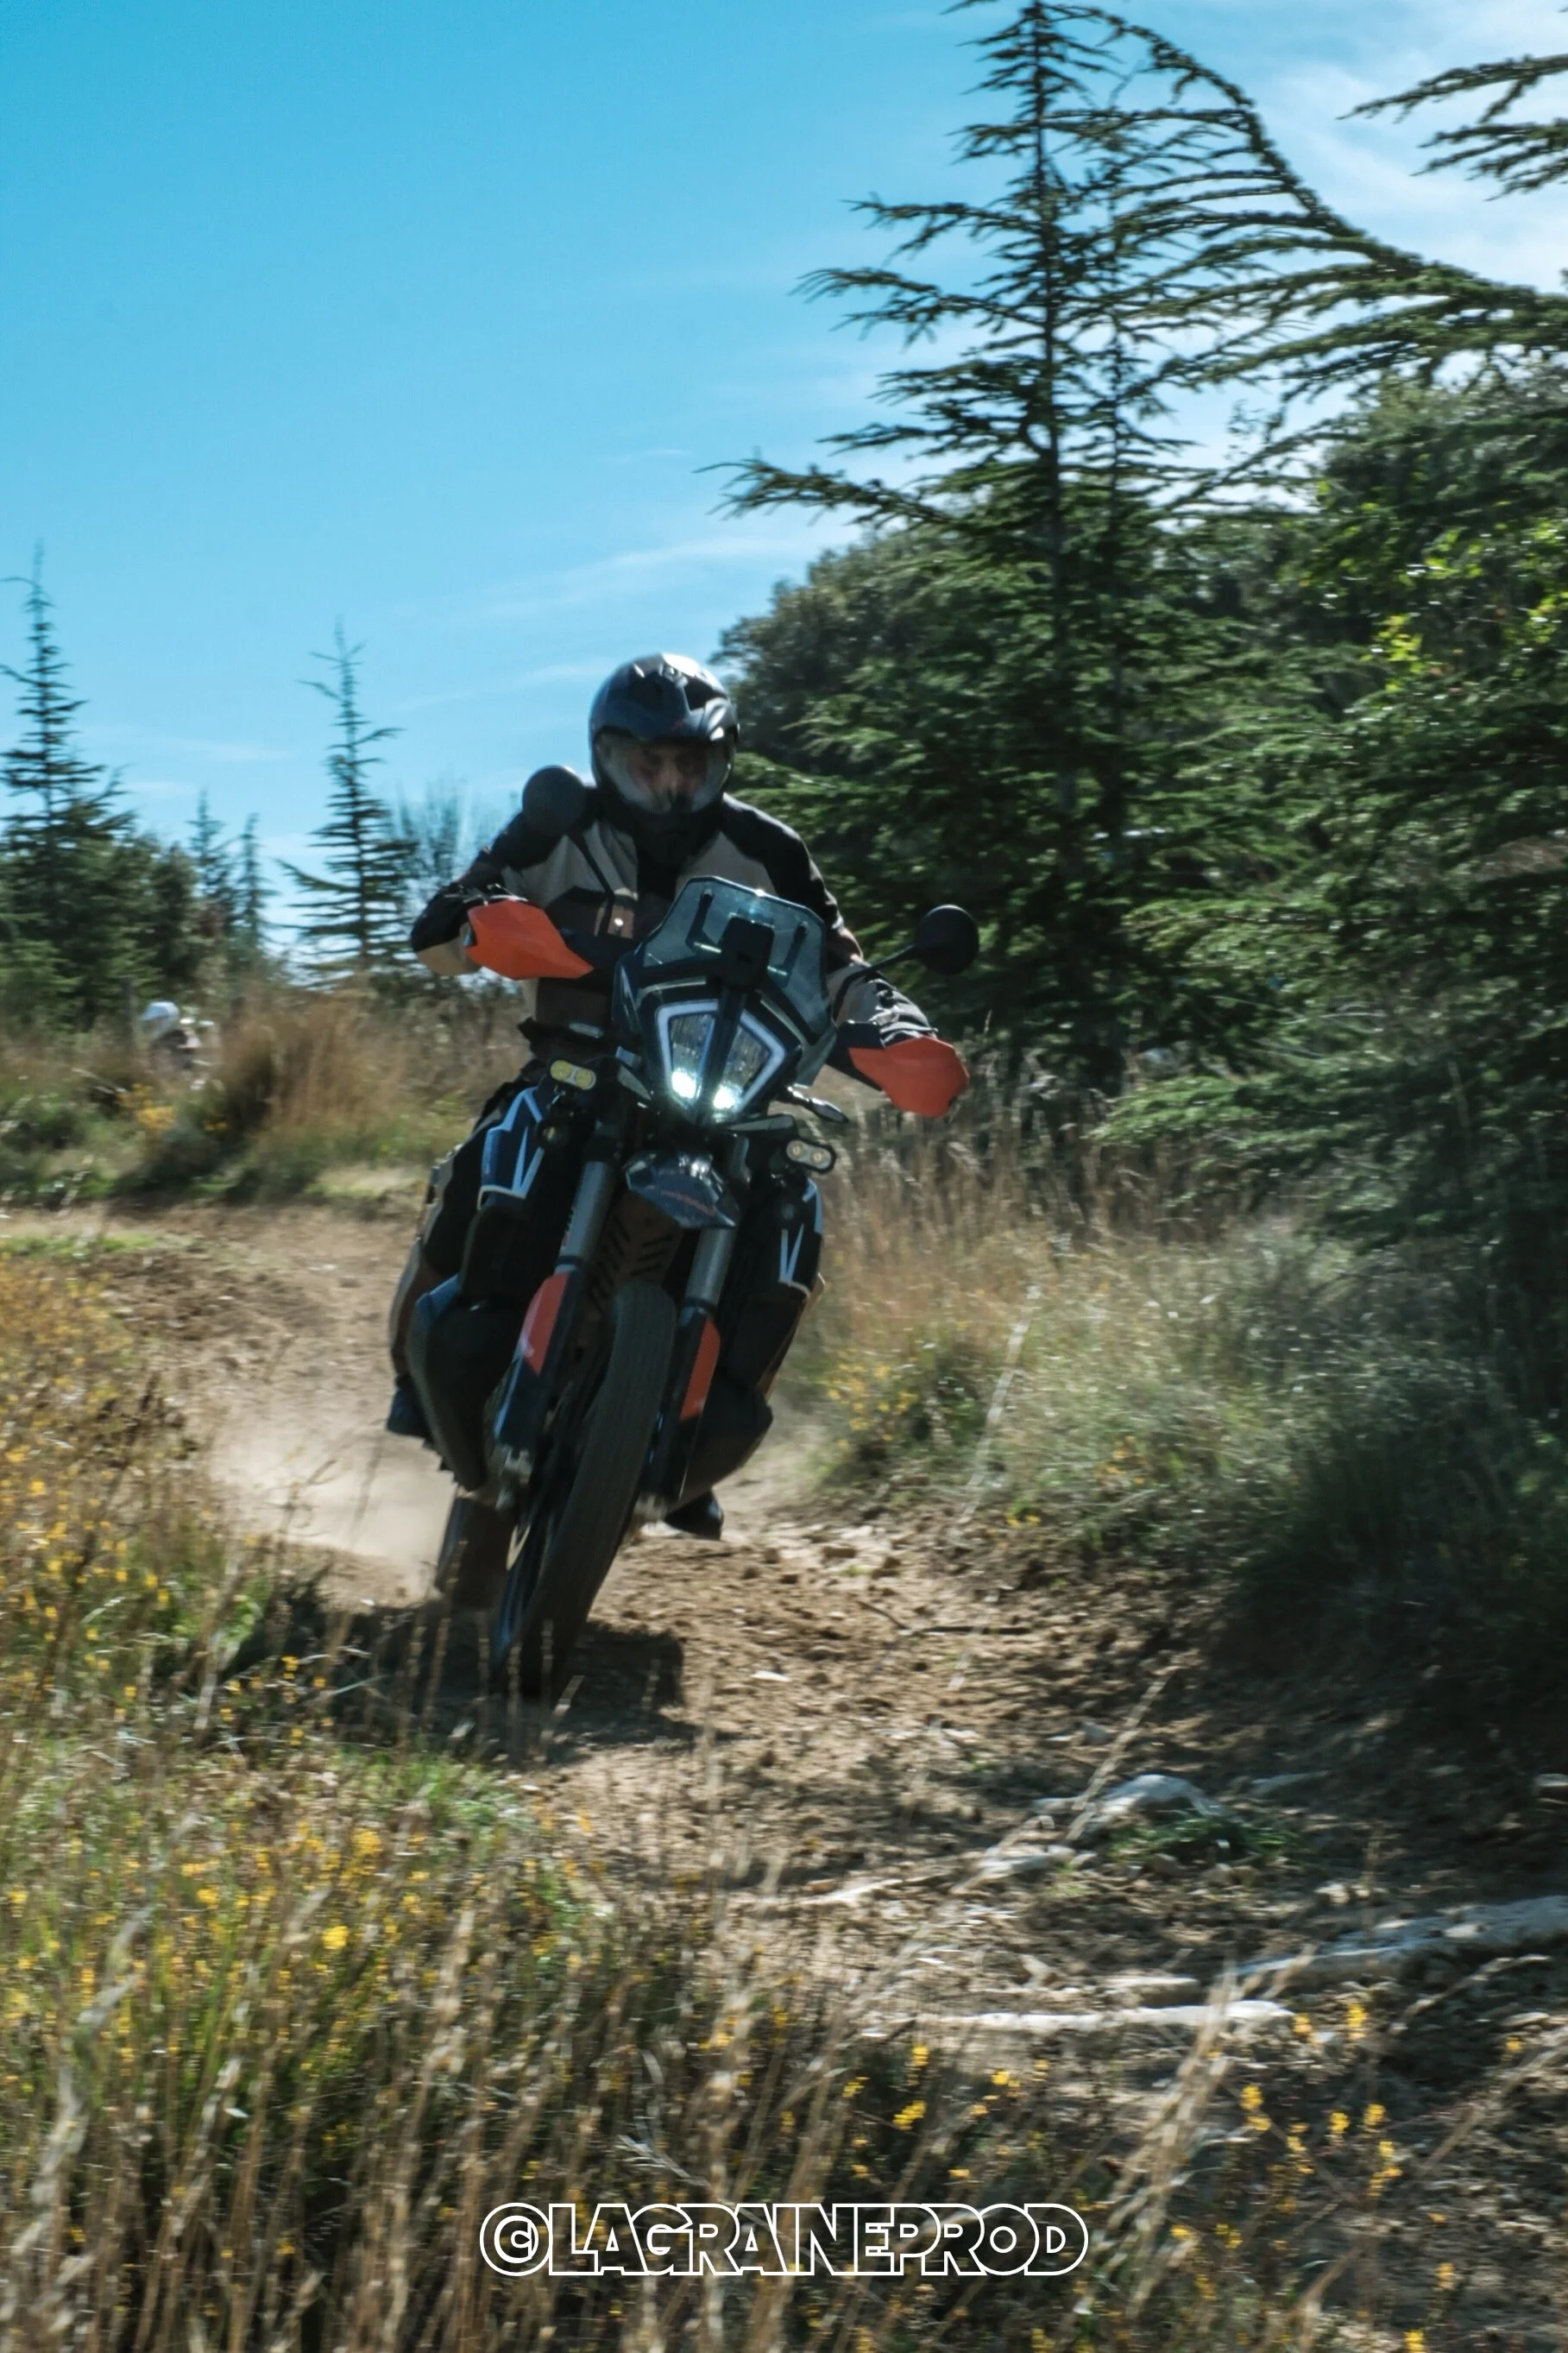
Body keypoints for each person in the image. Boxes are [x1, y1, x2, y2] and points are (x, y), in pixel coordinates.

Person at [387, 651, 960, 1537]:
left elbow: (842, 961)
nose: (665, 783)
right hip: (579, 1064)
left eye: (687, 764)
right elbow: (439, 928)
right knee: (498, 1148)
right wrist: (482, 917)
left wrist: (891, 1022)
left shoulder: (767, 849)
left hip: (725, 1091)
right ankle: (421, 1360)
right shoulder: (557, 824)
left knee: (787, 1213)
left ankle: (693, 1438)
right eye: (644, 764)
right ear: (606, 758)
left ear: (718, 763)